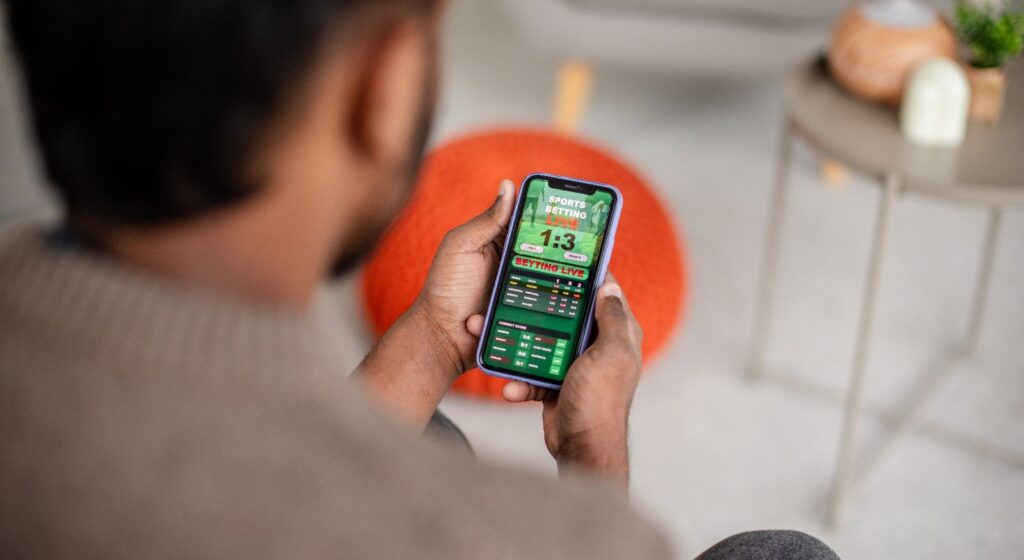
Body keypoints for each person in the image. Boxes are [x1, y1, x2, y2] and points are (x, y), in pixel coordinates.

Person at [0, 1, 840, 558]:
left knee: (425, 432)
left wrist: (438, 339)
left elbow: (278, 466)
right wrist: (594, 464)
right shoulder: (507, 536)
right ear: (385, 85)